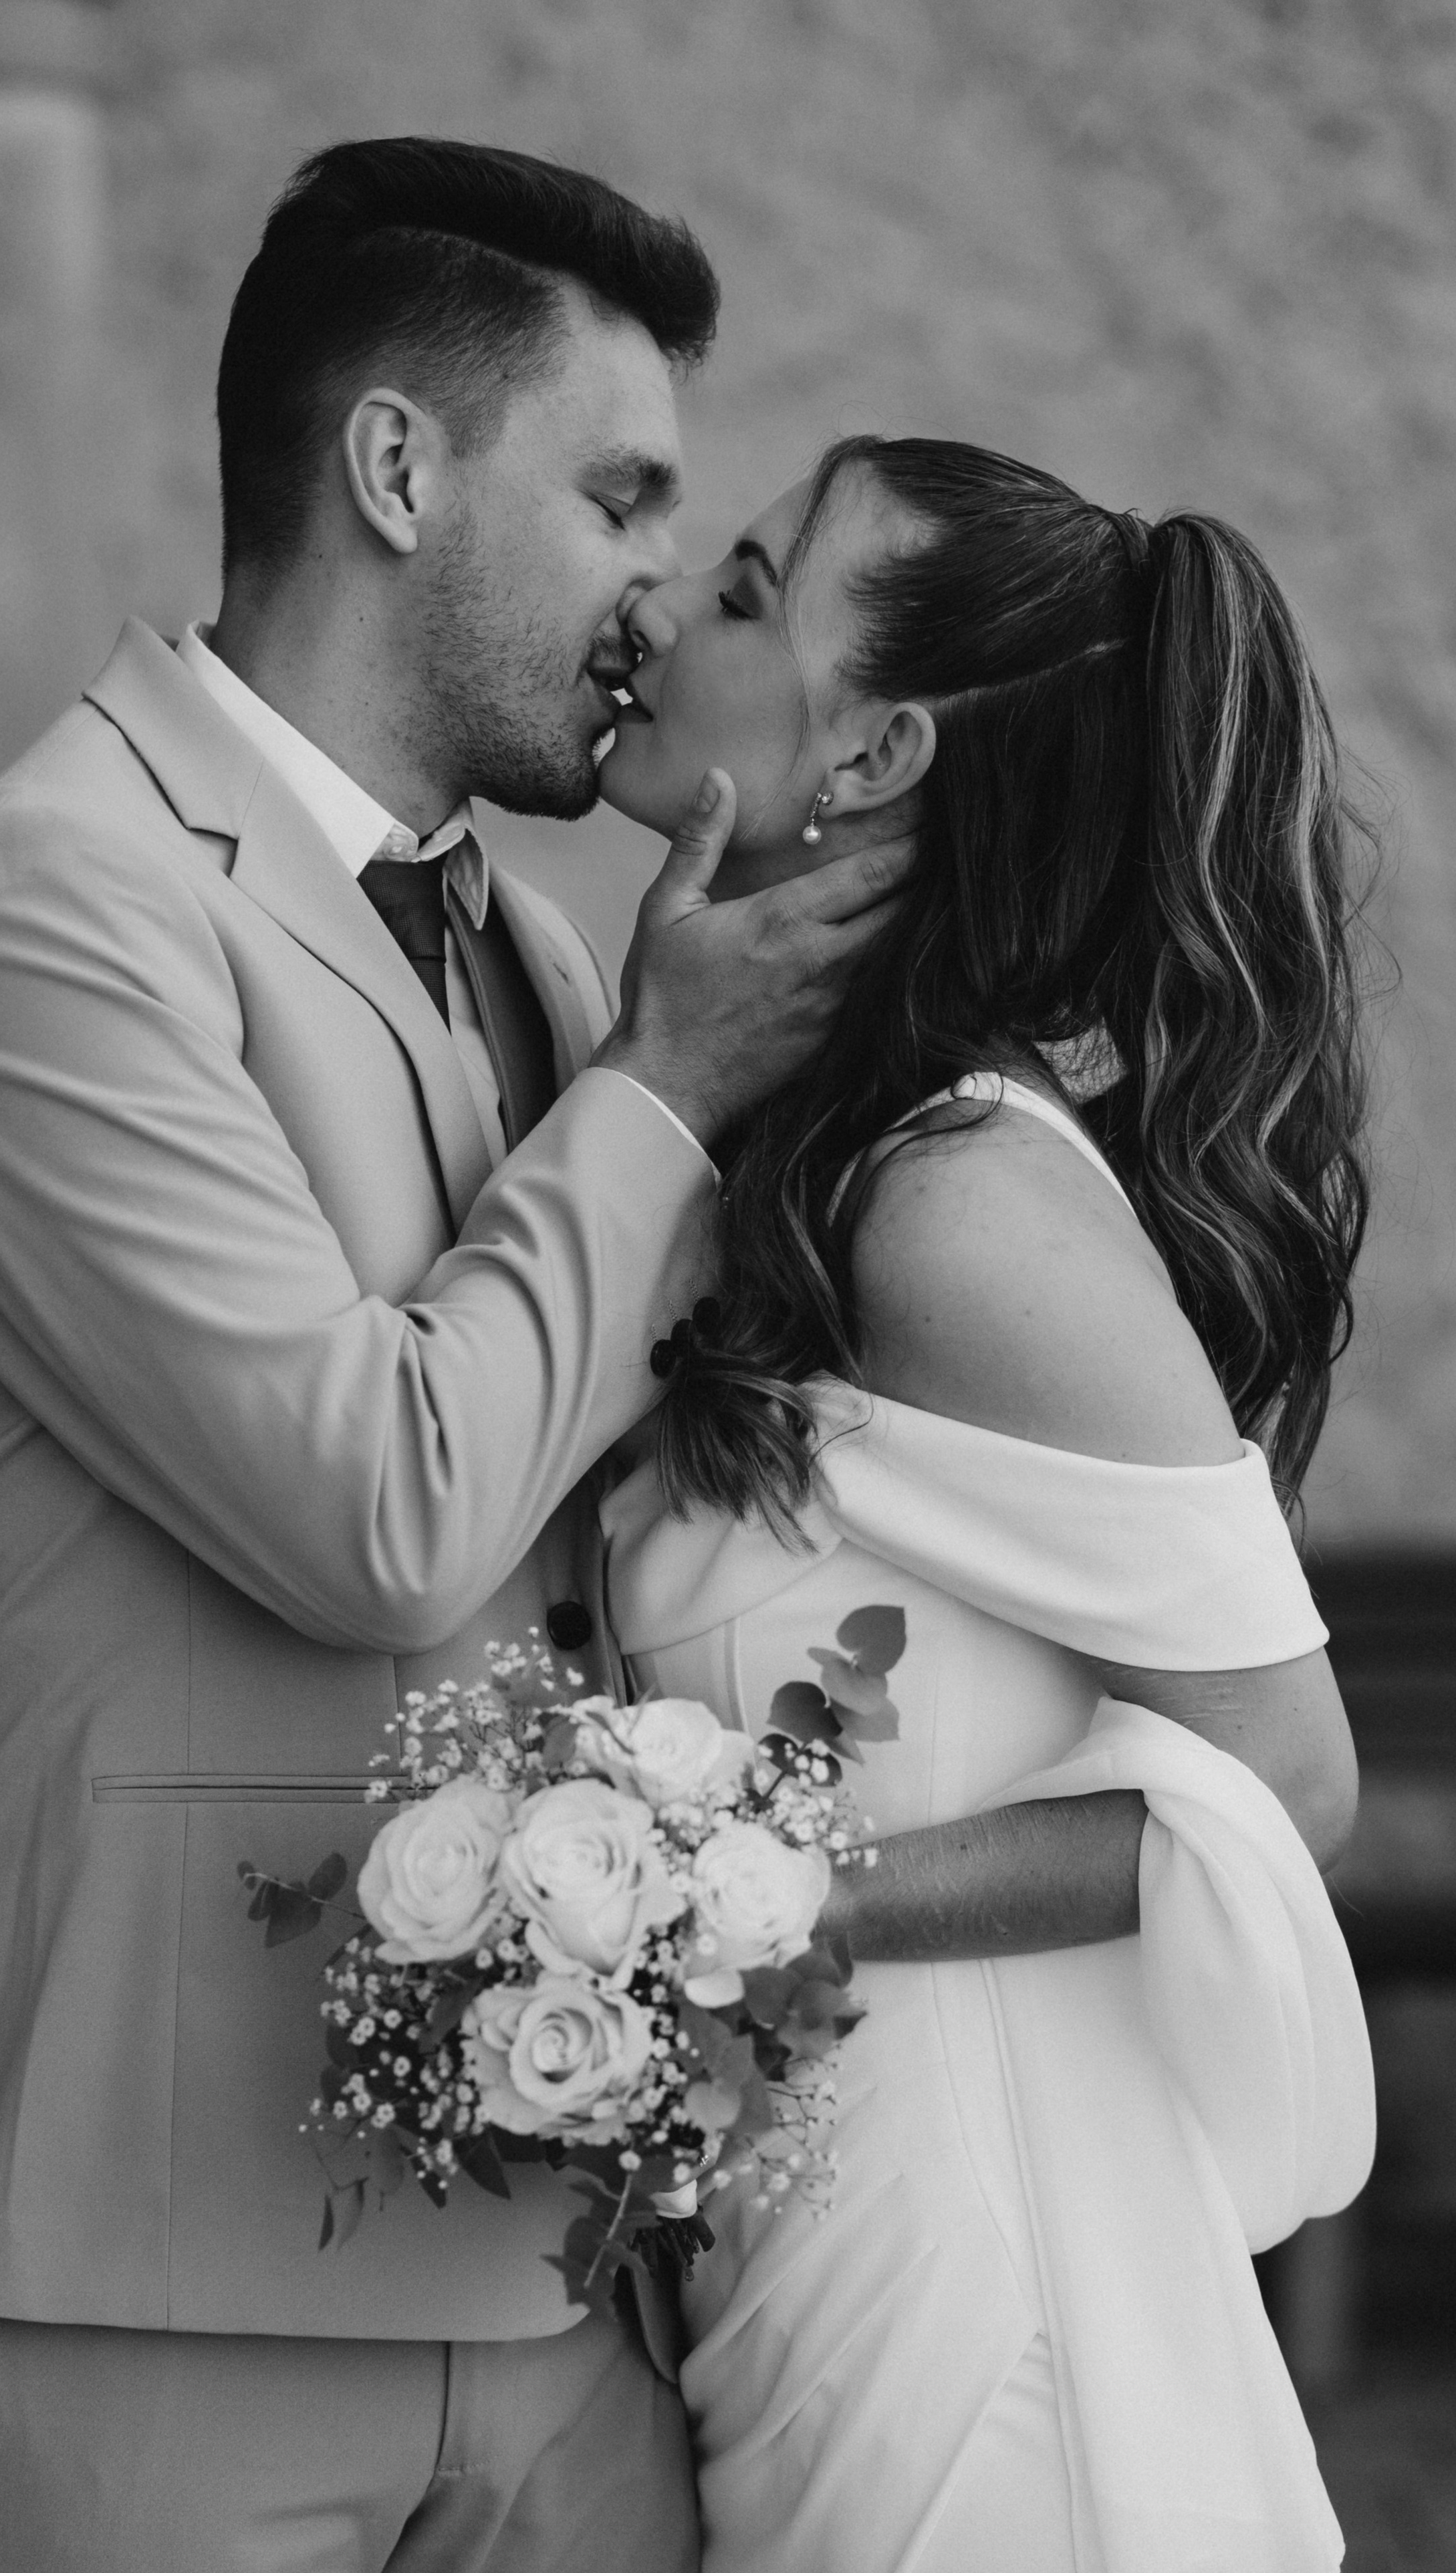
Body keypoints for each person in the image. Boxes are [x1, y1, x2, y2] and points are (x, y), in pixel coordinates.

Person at [0, 142, 902, 2573]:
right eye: (618, 498)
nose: (656, 587)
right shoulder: (43, 913)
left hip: (547, 2265)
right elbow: (375, 1512)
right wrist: (663, 1093)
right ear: (396, 469)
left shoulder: (544, 942)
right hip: (130, 2282)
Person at [596, 437, 1376, 2571]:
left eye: (744, 590)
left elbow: (1288, 1772)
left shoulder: (951, 1201)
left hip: (987, 2314)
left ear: (878, 750)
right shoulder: (783, 1155)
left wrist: (777, 1903)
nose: (659, 611)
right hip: (809, 2273)